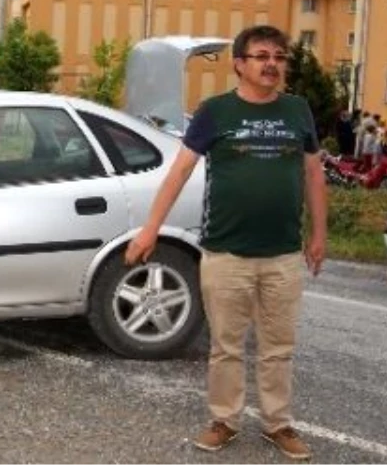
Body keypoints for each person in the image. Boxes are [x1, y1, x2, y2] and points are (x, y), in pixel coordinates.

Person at [125, 25, 327, 460]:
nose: (272, 63)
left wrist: (319, 235)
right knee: (227, 346)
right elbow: (179, 172)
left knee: (278, 347)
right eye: (262, 56)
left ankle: (279, 423)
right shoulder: (215, 112)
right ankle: (224, 420)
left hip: (283, 254)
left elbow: (313, 172)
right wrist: (150, 229)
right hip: (225, 252)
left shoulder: (298, 111)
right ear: (240, 64)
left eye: (279, 56)